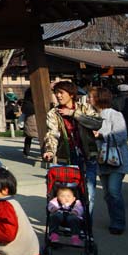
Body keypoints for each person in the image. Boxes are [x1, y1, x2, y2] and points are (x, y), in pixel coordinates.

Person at [42, 80, 101, 215]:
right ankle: (74, 221)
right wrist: (50, 150)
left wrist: (74, 114)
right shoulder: (53, 113)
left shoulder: (84, 108)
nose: (58, 96)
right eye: (56, 93)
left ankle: (87, 224)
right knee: (70, 193)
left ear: (72, 94)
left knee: (89, 192)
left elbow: (97, 123)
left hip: (88, 155)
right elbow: (52, 133)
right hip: (67, 157)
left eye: (61, 92)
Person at [88, 86, 128, 234]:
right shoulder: (93, 115)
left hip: (116, 160)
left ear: (100, 98)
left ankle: (119, 222)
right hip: (101, 159)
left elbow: (121, 136)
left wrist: (100, 136)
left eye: (91, 96)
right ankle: (115, 219)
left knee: (113, 191)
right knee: (107, 193)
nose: (88, 99)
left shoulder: (115, 115)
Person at [21, 89, 37, 158]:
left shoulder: (26, 102)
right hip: (35, 116)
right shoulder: (35, 99)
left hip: (29, 117)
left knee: (28, 137)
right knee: (42, 136)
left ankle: (26, 152)